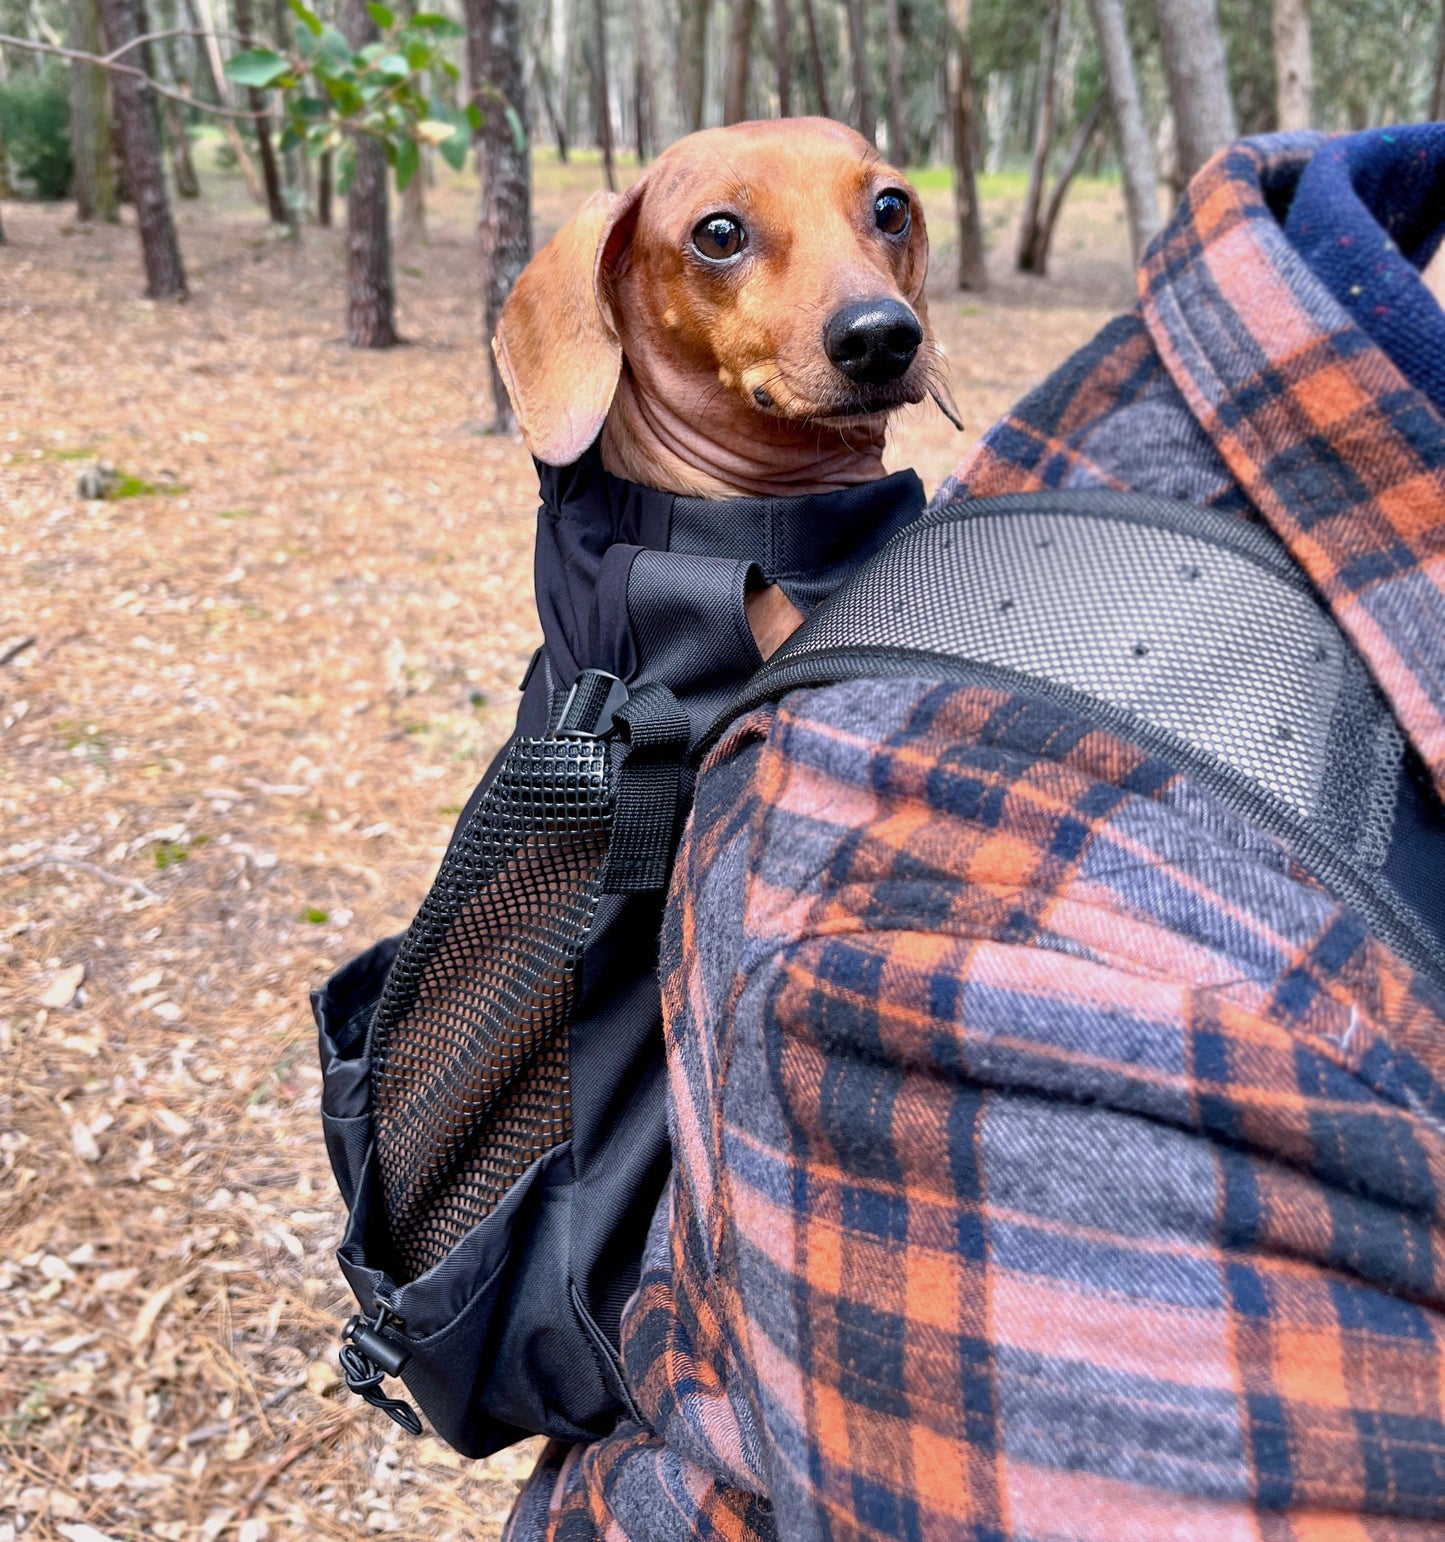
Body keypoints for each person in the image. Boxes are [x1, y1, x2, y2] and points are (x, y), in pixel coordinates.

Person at [503, 125, 1445, 1540]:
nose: (863, 299)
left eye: (880, 222)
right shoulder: (700, 630)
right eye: (724, 242)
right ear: (617, 292)